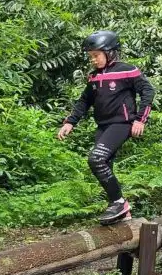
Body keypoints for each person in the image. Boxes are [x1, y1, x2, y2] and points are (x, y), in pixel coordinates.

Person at [58, 30, 154, 225]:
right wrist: (70, 122)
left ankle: (119, 202)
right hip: (102, 126)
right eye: (90, 57)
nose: (93, 60)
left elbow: (147, 91)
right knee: (104, 165)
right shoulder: (93, 77)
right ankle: (121, 212)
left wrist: (140, 120)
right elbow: (84, 101)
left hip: (121, 124)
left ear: (110, 52)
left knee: (96, 159)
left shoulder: (127, 70)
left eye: (96, 55)